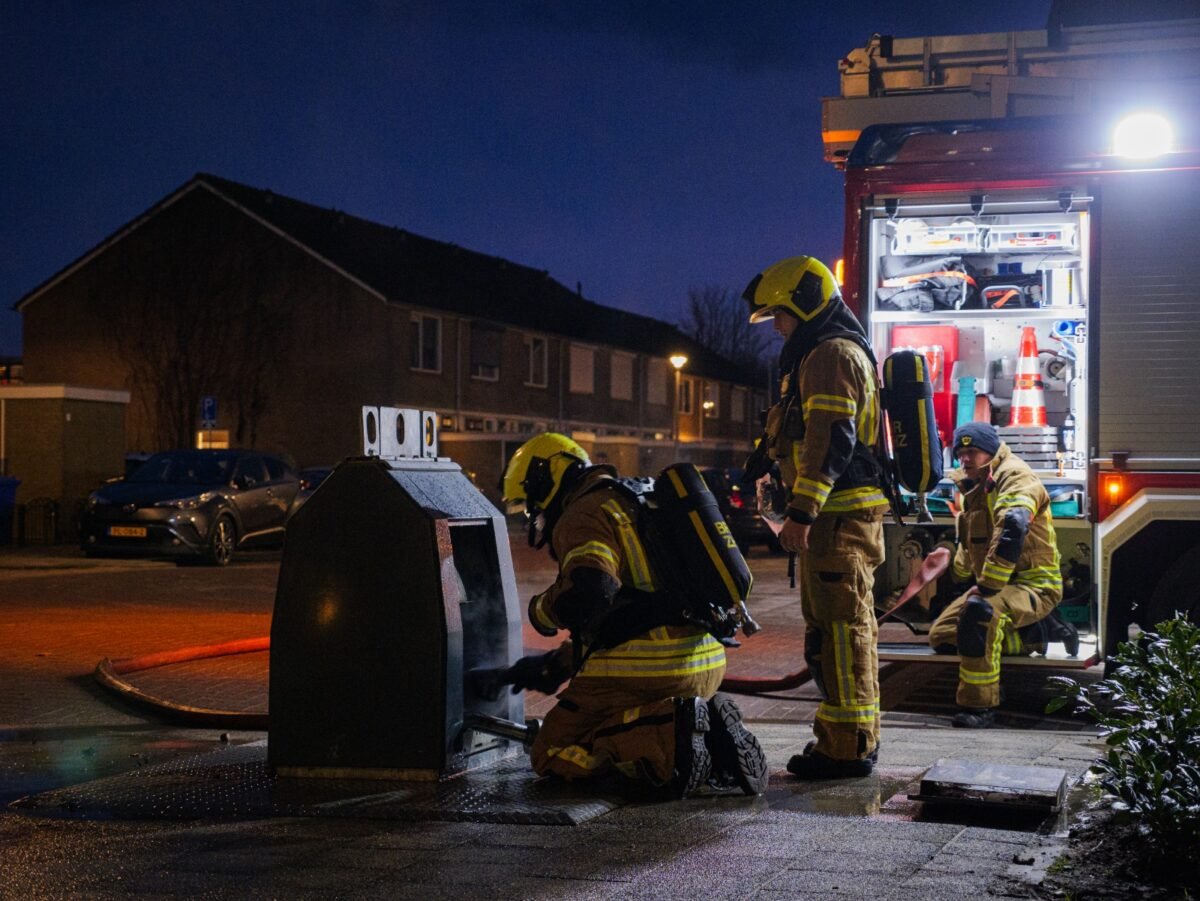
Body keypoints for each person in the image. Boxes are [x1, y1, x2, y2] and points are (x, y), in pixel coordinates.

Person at [500, 432, 768, 797]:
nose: (535, 515)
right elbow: (631, 609)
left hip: (646, 670)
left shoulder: (583, 513)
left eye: (532, 504)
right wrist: (556, 665)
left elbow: (592, 590)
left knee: (553, 751)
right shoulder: (637, 497)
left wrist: (541, 612)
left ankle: (672, 734)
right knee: (616, 723)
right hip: (704, 664)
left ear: (549, 480)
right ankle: (710, 734)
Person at [743, 255, 888, 779]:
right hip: (838, 519)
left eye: (779, 315)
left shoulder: (829, 354)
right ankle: (851, 737)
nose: (776, 327)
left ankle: (846, 747)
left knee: (839, 632)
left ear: (801, 305)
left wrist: (801, 512)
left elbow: (832, 440)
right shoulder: (821, 352)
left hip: (836, 521)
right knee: (840, 630)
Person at [929, 422, 1078, 727]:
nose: (966, 459)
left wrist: (985, 587)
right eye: (961, 453)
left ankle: (978, 707)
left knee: (980, 615)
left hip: (1035, 585)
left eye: (973, 452)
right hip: (1000, 586)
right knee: (942, 636)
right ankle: (1036, 635)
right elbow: (973, 542)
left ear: (991, 451)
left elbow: (1013, 525)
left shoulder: (1015, 476)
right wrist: (955, 574)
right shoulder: (973, 484)